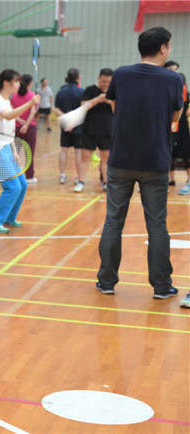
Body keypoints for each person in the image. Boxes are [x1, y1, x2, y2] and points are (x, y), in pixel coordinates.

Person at [96, 26, 183, 300]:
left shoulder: (121, 74)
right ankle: (161, 287)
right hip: (155, 161)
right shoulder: (173, 78)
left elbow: (114, 107)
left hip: (120, 160)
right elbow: (176, 116)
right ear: (162, 48)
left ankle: (106, 282)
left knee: (113, 221)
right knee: (157, 225)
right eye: (169, 45)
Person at [0, 70, 41, 234]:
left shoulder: (6, 101)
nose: (19, 85)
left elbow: (8, 130)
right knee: (12, 187)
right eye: (16, 82)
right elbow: (8, 116)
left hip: (7, 148)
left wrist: (14, 150)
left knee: (22, 185)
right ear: (6, 83)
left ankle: (9, 217)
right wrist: (30, 103)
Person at [78, 68, 114, 192]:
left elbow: (119, 109)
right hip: (90, 129)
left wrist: (109, 101)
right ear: (99, 78)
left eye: (109, 82)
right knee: (85, 157)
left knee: (106, 159)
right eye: (103, 81)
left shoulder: (114, 92)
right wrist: (97, 99)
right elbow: (82, 105)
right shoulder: (90, 90)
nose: (106, 84)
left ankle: (106, 183)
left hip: (107, 130)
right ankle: (80, 182)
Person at [54, 68, 85, 185]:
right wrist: (73, 121)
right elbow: (83, 109)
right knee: (78, 152)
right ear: (78, 78)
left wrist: (67, 120)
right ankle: (78, 177)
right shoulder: (82, 91)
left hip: (65, 126)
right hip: (78, 126)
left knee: (63, 150)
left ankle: (62, 176)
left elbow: (56, 109)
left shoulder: (61, 92)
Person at [164, 61, 190, 195]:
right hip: (168, 125)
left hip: (182, 125)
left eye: (176, 69)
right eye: (171, 69)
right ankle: (169, 180)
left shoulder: (181, 85)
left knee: (186, 152)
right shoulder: (162, 86)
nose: (174, 71)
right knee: (168, 153)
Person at [10, 74, 38, 183]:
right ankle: (29, 177)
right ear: (30, 84)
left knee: (15, 153)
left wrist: (19, 120)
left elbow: (12, 111)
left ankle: (13, 175)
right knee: (29, 153)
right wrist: (26, 125)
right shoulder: (33, 96)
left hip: (17, 128)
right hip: (30, 128)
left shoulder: (13, 96)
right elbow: (33, 112)